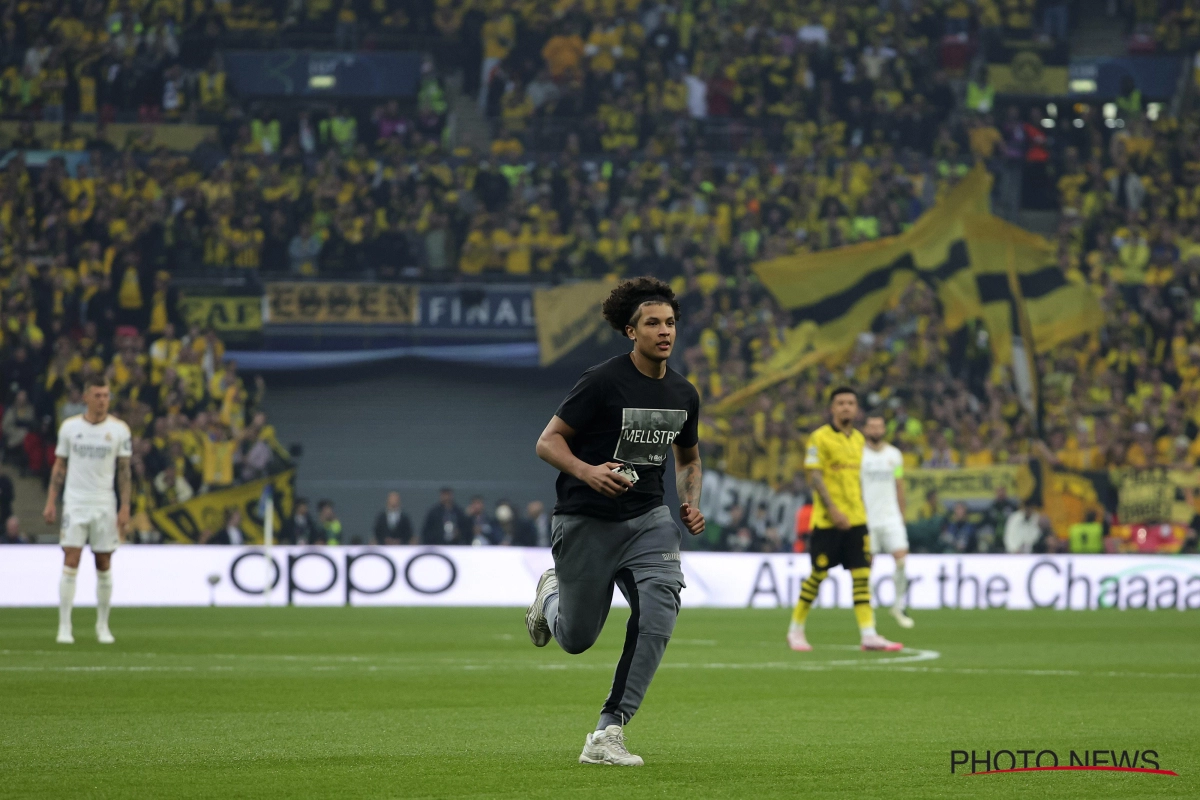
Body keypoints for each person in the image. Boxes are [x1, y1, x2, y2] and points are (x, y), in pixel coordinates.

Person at [525, 276, 705, 767]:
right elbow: (548, 441)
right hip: (586, 520)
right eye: (653, 323)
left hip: (650, 521)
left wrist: (690, 502)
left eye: (670, 322)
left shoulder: (684, 393)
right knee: (577, 638)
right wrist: (587, 471)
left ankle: (608, 732)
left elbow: (688, 459)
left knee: (660, 610)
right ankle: (551, 595)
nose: (664, 331)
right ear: (631, 331)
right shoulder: (602, 381)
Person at [787, 388, 901, 653]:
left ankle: (869, 634)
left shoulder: (860, 439)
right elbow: (815, 476)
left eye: (851, 402)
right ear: (832, 409)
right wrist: (834, 510)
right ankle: (795, 630)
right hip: (828, 520)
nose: (846, 407)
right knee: (818, 576)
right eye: (841, 403)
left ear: (857, 408)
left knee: (862, 576)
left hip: (858, 519)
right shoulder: (820, 438)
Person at [43, 376, 132, 645]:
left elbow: (125, 472)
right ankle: (64, 627)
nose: (103, 400)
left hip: (105, 502)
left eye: (106, 395)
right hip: (76, 501)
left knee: (104, 562)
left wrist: (125, 507)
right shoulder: (70, 428)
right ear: (86, 397)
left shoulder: (119, 430)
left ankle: (102, 626)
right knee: (71, 559)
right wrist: (50, 501)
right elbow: (59, 467)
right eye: (98, 395)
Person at [861, 413, 913, 629]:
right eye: (871, 426)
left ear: (884, 429)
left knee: (901, 560)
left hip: (891, 517)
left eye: (879, 426)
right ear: (866, 429)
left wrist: (901, 515)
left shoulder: (895, 455)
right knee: (867, 566)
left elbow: (898, 484)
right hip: (867, 518)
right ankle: (867, 608)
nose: (875, 430)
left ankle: (897, 606)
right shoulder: (858, 455)